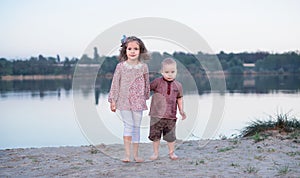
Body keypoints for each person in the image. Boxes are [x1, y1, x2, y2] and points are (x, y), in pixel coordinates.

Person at [108, 36, 150, 163]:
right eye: (130, 49)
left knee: (136, 126)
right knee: (128, 125)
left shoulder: (143, 67)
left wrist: (146, 97)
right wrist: (113, 100)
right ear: (125, 51)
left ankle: (136, 155)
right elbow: (115, 84)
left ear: (140, 51)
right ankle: (127, 155)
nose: (132, 51)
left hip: (138, 100)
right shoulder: (121, 67)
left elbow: (146, 83)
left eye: (136, 49)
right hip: (123, 100)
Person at [148, 58, 186, 160]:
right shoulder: (157, 82)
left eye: (172, 72)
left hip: (171, 116)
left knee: (171, 137)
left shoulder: (178, 85)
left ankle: (171, 153)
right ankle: (155, 153)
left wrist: (181, 110)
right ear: (162, 72)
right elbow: (147, 89)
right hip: (156, 115)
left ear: (176, 72)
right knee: (155, 136)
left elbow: (180, 98)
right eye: (167, 72)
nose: (170, 74)